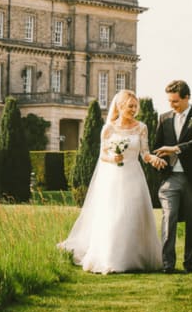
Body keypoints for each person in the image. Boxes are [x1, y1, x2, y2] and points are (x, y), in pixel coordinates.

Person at [58, 90, 167, 274]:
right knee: (114, 216)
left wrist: (154, 159)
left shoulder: (141, 127)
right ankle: (111, 258)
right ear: (120, 106)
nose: (133, 110)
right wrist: (113, 158)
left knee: (134, 213)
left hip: (134, 175)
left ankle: (137, 258)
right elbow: (102, 156)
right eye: (130, 106)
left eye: (135, 106)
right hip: (114, 178)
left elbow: (145, 153)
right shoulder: (108, 128)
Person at [153, 80, 192, 274]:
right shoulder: (164, 118)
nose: (172, 105)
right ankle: (167, 265)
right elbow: (157, 146)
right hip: (170, 179)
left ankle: (190, 264)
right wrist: (157, 159)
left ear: (187, 98)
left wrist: (176, 149)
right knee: (168, 218)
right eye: (170, 101)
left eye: (176, 101)